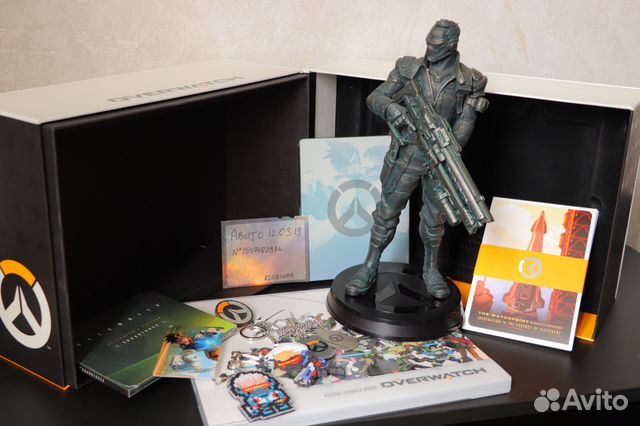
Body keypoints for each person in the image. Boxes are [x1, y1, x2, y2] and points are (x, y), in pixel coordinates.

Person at [346, 19, 489, 298]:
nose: (430, 49)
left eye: (437, 45)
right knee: (387, 212)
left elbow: (466, 120)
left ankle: (430, 270)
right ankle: (370, 266)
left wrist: (447, 151)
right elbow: (375, 97)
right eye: (429, 43)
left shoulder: (471, 80)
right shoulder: (407, 69)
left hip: (442, 157)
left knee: (435, 219)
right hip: (408, 154)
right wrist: (392, 110)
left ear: (452, 45)